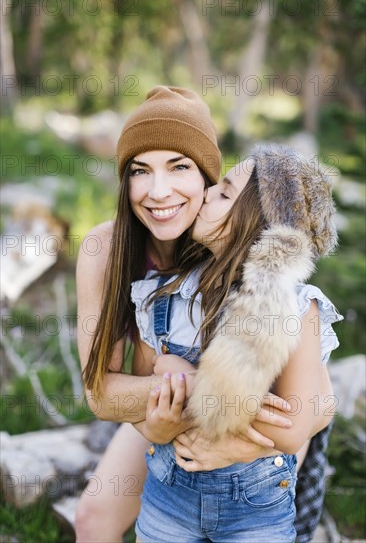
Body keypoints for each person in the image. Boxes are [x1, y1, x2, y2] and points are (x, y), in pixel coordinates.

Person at [75, 87, 292, 542]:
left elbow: (312, 400)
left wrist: (235, 438)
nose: (158, 192)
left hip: (265, 433)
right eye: (140, 170)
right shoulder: (105, 249)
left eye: (179, 167)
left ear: (208, 179)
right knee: (94, 520)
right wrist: (190, 399)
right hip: (166, 407)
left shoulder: (233, 242)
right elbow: (101, 393)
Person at [128, 145, 342, 542]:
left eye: (224, 193)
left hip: (255, 509)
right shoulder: (164, 295)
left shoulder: (296, 309)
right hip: (168, 494)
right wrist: (155, 428)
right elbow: (144, 390)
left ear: (258, 226)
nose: (207, 193)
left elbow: (294, 429)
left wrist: (189, 381)